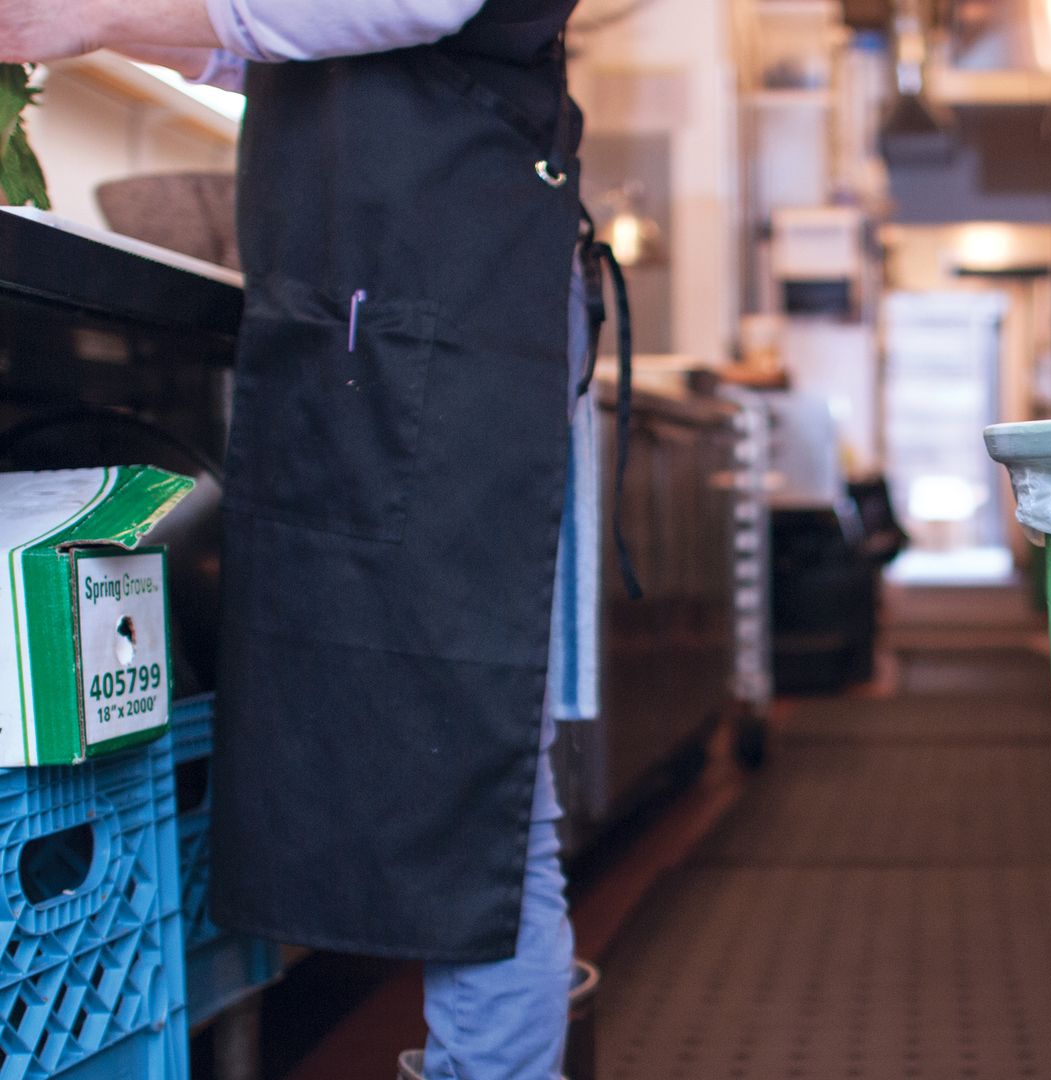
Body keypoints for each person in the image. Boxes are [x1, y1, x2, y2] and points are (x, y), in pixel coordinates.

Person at [0, 2, 607, 1076]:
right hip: (409, 312)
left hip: (451, 315)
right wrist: (83, 27)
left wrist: (87, 12)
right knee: (470, 773)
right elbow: (258, 44)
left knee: (471, 779)